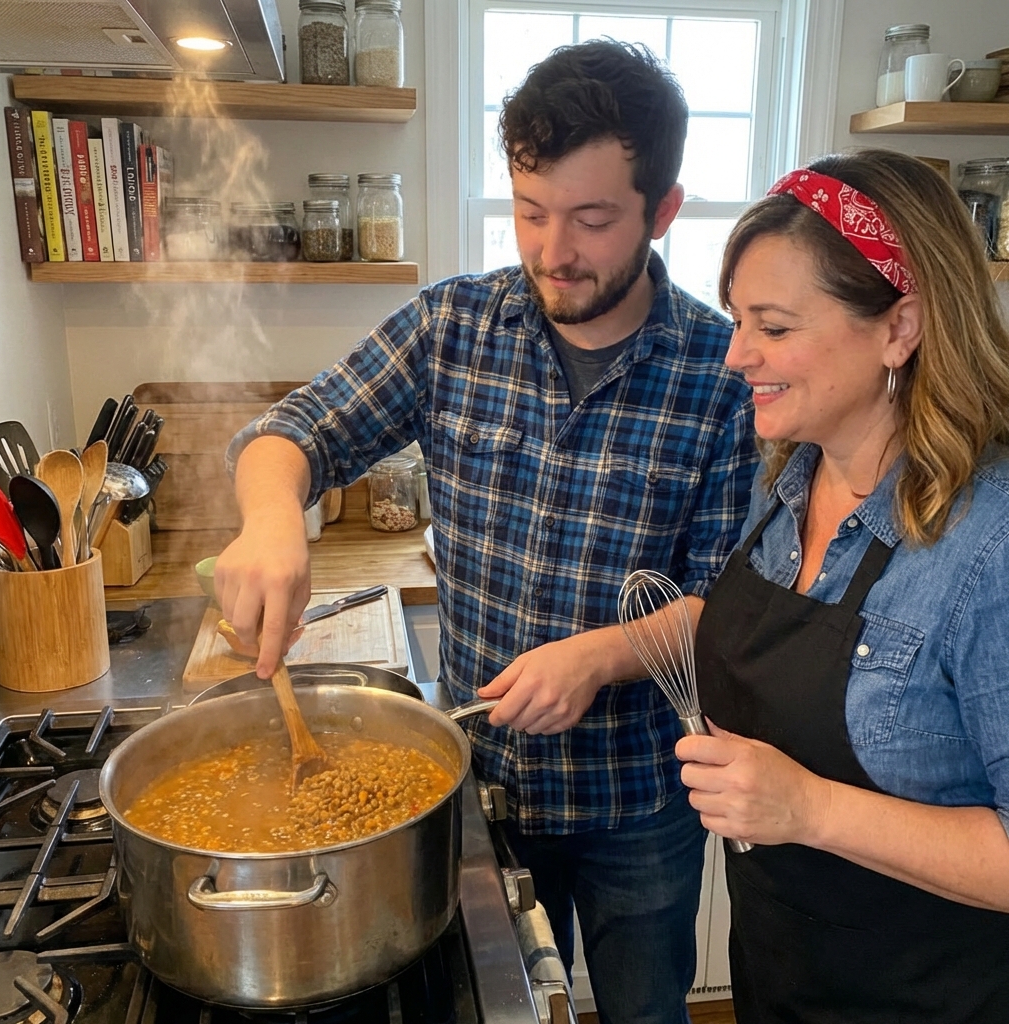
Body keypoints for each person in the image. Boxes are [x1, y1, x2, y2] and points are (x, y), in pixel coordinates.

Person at [217, 41, 757, 1024]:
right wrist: (269, 522)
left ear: (661, 211)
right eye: (530, 210)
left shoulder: (724, 376)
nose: (553, 250)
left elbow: (732, 611)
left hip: (639, 803)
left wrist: (599, 656)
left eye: (592, 220)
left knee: (646, 1012)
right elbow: (287, 432)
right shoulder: (451, 329)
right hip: (478, 795)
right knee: (490, 1008)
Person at [671, 149, 1009, 1022]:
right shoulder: (787, 477)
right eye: (737, 320)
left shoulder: (991, 545)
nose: (737, 355)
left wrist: (807, 808)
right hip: (783, 974)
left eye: (774, 327)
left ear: (901, 328)